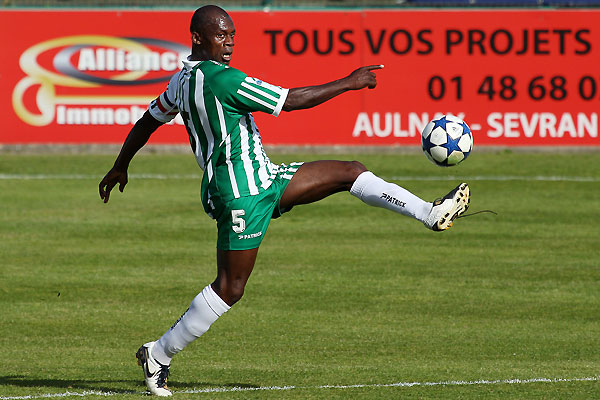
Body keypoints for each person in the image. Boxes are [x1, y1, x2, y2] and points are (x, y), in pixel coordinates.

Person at [99, 5, 470, 397]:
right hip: (241, 194)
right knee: (231, 287)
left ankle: (430, 214)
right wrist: (350, 82)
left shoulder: (181, 81)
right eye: (221, 36)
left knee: (349, 171)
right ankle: (158, 354)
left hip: (265, 177)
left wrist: (120, 165)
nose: (229, 44)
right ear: (198, 38)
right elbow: (290, 101)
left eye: (233, 37)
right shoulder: (224, 81)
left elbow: (148, 120)